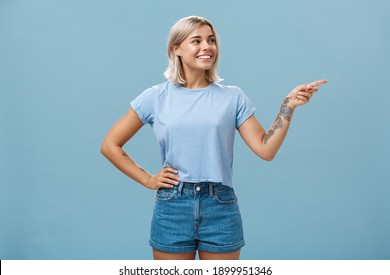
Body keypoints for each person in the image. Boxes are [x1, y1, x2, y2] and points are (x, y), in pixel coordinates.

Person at [100, 15, 327, 260]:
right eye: (196, 41)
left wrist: (288, 106)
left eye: (211, 40)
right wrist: (148, 180)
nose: (207, 47)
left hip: (220, 204)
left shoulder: (233, 97)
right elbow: (110, 145)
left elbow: (265, 150)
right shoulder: (155, 97)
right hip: (173, 205)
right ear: (176, 49)